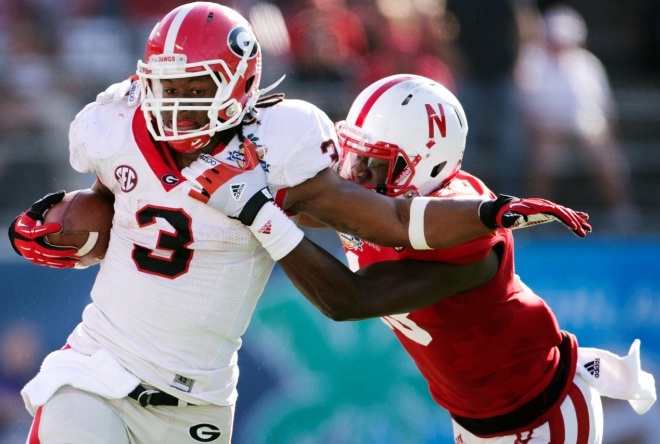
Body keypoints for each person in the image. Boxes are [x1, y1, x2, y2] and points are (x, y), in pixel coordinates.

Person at [7, 3, 591, 443]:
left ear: (238, 85)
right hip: (99, 364)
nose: (174, 103)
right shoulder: (111, 122)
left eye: (193, 88)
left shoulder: (279, 145)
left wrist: (492, 212)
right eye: (165, 86)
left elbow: (390, 220)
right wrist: (70, 223)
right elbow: (109, 199)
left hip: (199, 400)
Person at [202, 74, 655, 443]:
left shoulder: (461, 236)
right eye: (353, 155)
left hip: (537, 415)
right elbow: (325, 206)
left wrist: (262, 217)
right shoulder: (388, 193)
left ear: (423, 168)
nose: (353, 174)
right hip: (477, 415)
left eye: (372, 164)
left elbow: (349, 299)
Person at [515, 4, 638, 233]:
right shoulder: (531, 62)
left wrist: (606, 134)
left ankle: (622, 214)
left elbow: (605, 110)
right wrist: (540, 129)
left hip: (587, 130)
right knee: (544, 160)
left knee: (606, 158)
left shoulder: (588, 63)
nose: (561, 46)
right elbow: (525, 109)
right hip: (545, 133)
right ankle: (536, 220)